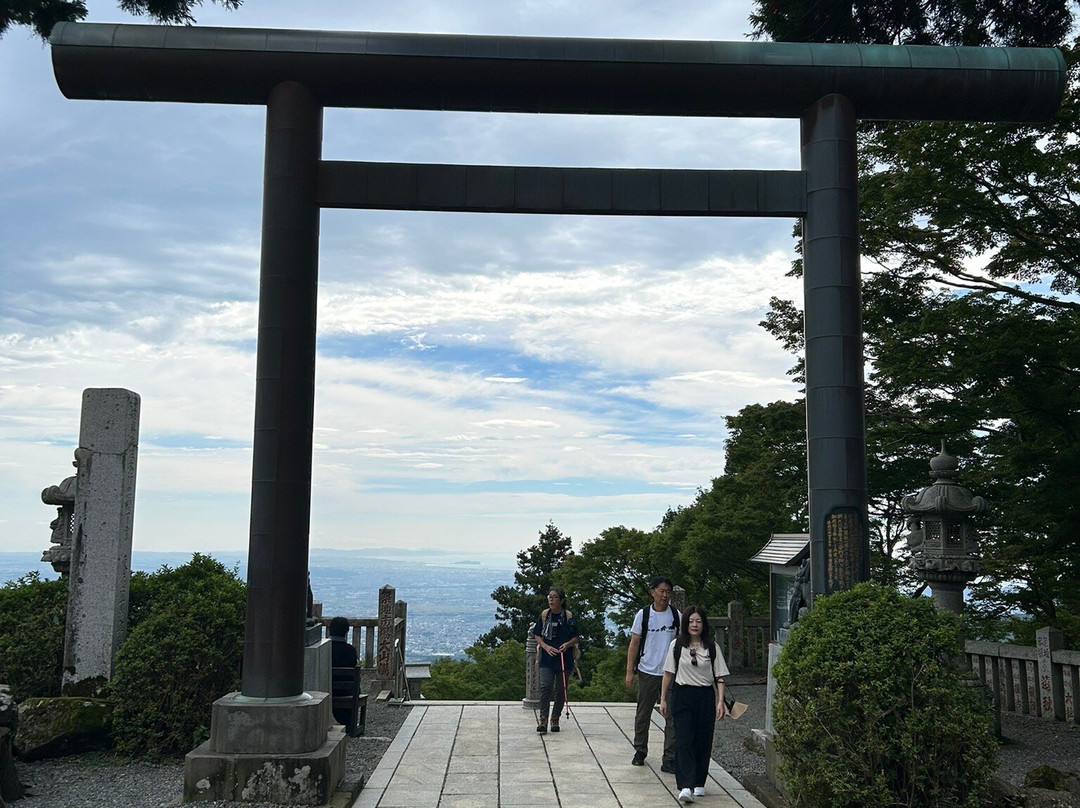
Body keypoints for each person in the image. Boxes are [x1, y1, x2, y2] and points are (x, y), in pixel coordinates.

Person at [659, 606, 729, 804]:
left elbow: (720, 677)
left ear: (703, 624)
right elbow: (668, 673)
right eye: (691, 621)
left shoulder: (711, 647)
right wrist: (663, 698)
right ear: (685, 624)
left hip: (705, 696)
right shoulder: (677, 645)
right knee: (684, 739)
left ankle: (699, 781)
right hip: (682, 694)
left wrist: (720, 701)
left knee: (703, 739)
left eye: (698, 621)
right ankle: (685, 785)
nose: (694, 625)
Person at [625, 576, 680, 769]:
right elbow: (634, 643)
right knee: (643, 713)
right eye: (661, 591)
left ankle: (670, 758)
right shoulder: (644, 614)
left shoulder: (676, 615)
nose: (665, 595)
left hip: (671, 672)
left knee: (672, 715)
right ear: (652, 592)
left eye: (668, 592)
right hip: (647, 670)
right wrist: (629, 671)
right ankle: (640, 750)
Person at [532, 587, 579, 734]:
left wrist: (568, 644)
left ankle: (555, 717)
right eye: (549, 596)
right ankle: (543, 718)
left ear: (562, 600)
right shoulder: (545, 615)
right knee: (545, 687)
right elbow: (537, 634)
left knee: (561, 690)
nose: (551, 599)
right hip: (547, 657)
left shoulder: (568, 617)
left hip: (564, 657)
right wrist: (545, 646)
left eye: (554, 597)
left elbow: (576, 636)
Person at [328, 616, 359, 726]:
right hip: (347, 691)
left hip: (326, 689)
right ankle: (350, 724)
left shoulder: (325, 649)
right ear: (346, 632)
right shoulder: (350, 650)